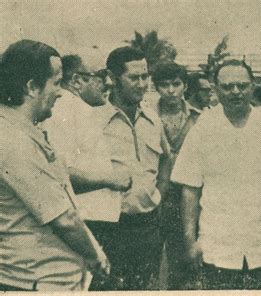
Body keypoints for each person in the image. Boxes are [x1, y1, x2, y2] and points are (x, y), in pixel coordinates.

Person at [172, 60, 261, 289]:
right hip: (216, 246)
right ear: (215, 88)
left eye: (242, 85)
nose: (235, 92)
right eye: (227, 87)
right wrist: (190, 241)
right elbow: (190, 190)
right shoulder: (202, 130)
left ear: (253, 86)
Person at [0, 39, 109, 291]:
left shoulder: (24, 131)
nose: (61, 92)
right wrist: (96, 257)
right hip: (33, 281)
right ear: (31, 87)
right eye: (57, 83)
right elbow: (63, 219)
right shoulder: (13, 141)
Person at [42, 50, 133, 290]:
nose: (109, 82)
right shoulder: (64, 110)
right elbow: (60, 174)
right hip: (86, 223)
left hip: (98, 222)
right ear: (76, 80)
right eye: (101, 76)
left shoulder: (80, 109)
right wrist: (111, 179)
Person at [92, 46, 168, 290]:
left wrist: (159, 194)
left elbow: (167, 158)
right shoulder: (93, 120)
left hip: (147, 227)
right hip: (109, 228)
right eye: (133, 78)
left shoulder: (153, 119)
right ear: (113, 79)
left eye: (145, 76)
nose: (142, 84)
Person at [150, 62, 201, 289]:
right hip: (155, 196)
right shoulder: (147, 117)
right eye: (164, 85)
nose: (171, 90)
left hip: (187, 197)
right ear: (156, 87)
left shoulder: (199, 118)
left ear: (185, 86)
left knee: (183, 262)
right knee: (151, 261)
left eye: (176, 84)